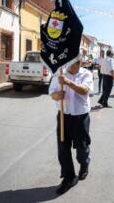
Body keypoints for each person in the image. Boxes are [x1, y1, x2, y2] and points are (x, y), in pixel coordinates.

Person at [49, 58, 93, 195]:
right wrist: (57, 95)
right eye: (73, 62)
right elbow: (52, 93)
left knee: (81, 147)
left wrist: (68, 82)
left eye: (78, 62)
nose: (76, 65)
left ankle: (84, 163)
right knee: (63, 148)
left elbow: (85, 90)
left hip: (80, 117)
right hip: (63, 116)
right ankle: (69, 177)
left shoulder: (86, 74)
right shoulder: (59, 74)